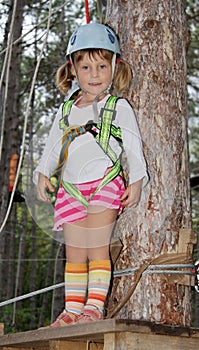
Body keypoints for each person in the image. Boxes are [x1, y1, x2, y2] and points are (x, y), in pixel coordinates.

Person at [34, 22, 148, 327]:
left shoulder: (118, 106)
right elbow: (52, 146)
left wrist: (137, 180)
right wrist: (42, 174)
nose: (94, 74)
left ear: (114, 66)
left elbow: (134, 146)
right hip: (70, 188)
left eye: (101, 65)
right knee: (74, 253)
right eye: (85, 67)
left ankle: (94, 306)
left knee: (96, 247)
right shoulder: (66, 110)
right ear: (73, 69)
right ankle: (72, 309)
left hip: (104, 185)